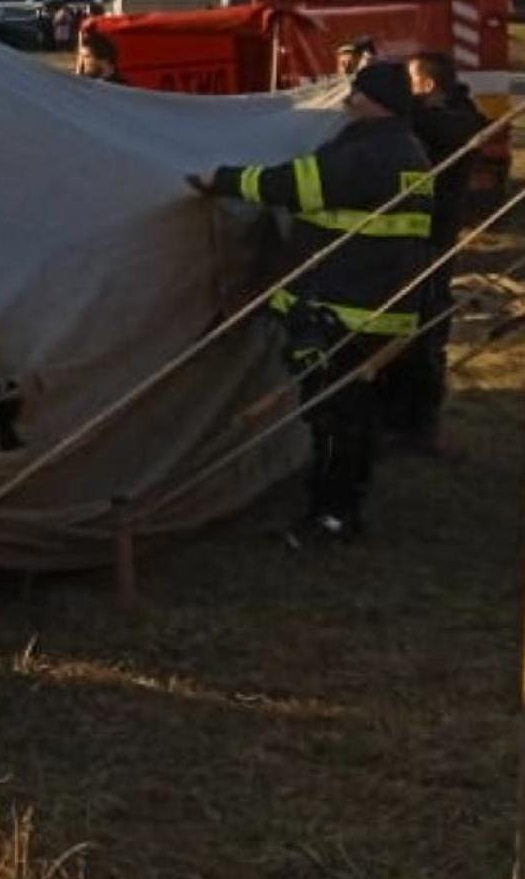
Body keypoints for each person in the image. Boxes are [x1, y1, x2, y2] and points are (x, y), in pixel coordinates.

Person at [188, 60, 435, 543]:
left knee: (336, 418)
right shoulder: (408, 150)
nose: (346, 103)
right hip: (380, 308)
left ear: (377, 101)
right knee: (353, 414)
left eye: (356, 95)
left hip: (345, 310)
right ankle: (343, 503)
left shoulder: (369, 154)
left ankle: (332, 515)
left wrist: (223, 179)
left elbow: (293, 184)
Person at [389, 51, 492, 451]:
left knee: (426, 329)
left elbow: (428, 125)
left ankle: (419, 424)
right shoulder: (447, 116)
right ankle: (402, 417)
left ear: (428, 86)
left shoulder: (454, 122)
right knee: (408, 327)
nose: (407, 92)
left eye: (411, 83)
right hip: (419, 238)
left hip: (432, 240)